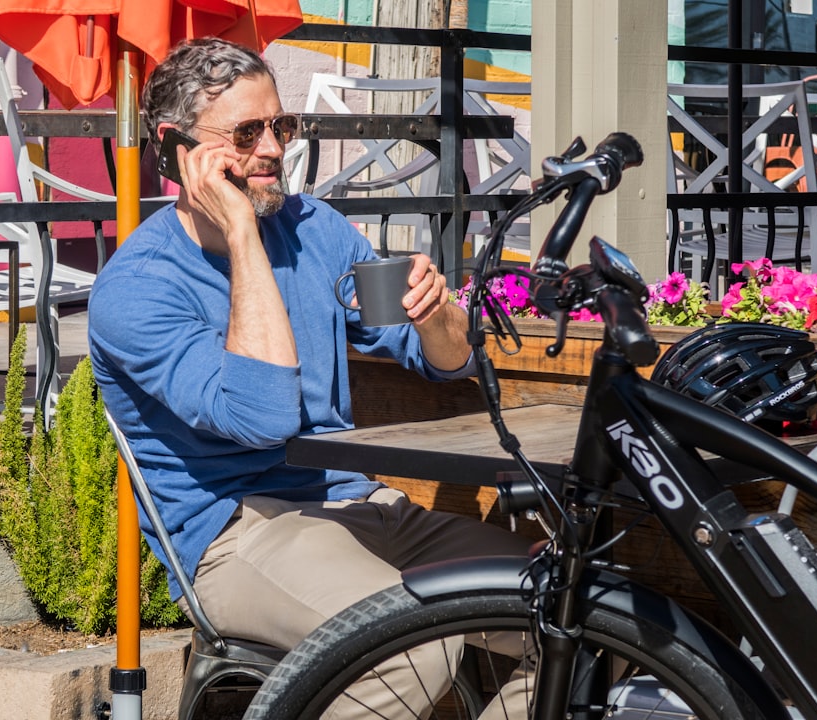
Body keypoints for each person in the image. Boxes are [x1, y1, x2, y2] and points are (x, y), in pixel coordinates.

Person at [88, 37, 532, 716]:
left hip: (360, 503)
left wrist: (433, 310)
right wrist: (242, 235)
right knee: (409, 647)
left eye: (281, 125)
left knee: (575, 609)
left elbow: (449, 362)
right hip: (239, 533)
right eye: (246, 132)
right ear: (180, 150)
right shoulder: (138, 288)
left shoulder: (314, 228)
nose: (273, 149)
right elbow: (261, 419)